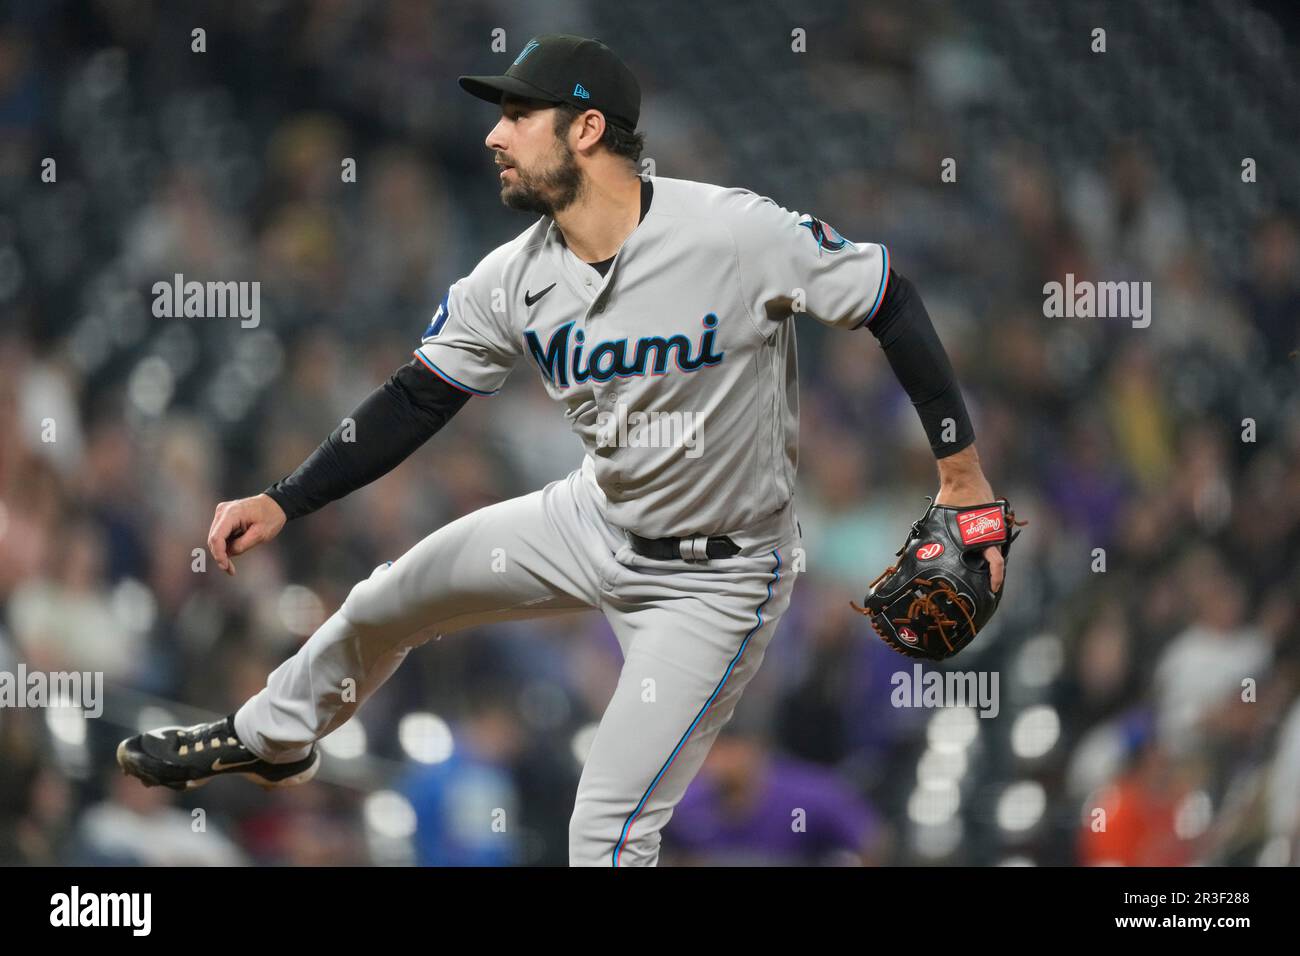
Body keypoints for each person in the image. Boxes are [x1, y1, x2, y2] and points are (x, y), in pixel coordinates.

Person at [117, 33, 1004, 867]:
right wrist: (286, 499)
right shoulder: (512, 277)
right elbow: (417, 399)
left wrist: (959, 471)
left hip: (717, 579)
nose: (496, 135)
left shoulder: (733, 234)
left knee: (607, 832)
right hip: (593, 516)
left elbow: (886, 293)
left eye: (518, 114)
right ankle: (271, 741)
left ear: (586, 129)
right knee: (387, 600)